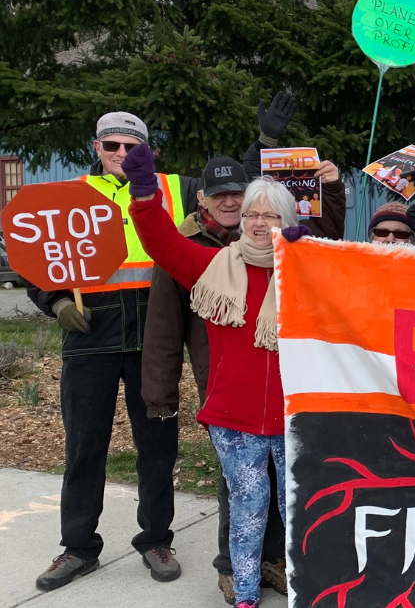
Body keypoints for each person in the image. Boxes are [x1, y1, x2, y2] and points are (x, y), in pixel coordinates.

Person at [30, 111, 203, 591]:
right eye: (113, 146)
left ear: (148, 151)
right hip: (89, 335)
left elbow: (233, 194)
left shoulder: (175, 188)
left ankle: (156, 539)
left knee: (156, 445)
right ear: (96, 147)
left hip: (154, 335)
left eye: (133, 147)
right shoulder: (65, 196)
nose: (122, 156)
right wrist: (55, 299)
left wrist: (267, 142)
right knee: (84, 448)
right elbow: (34, 258)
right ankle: (78, 547)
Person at [125, 142, 295, 608]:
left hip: (294, 418)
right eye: (253, 214)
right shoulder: (211, 266)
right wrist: (144, 193)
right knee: (248, 508)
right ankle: (243, 593)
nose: (260, 222)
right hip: (233, 419)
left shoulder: (307, 272)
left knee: (296, 510)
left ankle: (306, 586)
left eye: (271, 215)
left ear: (288, 221)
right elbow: (161, 242)